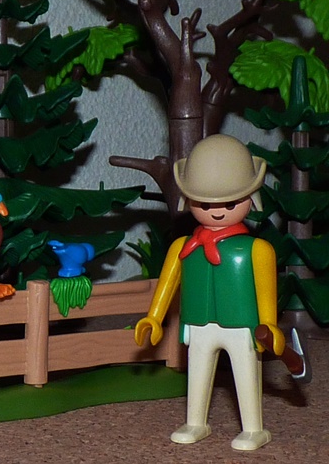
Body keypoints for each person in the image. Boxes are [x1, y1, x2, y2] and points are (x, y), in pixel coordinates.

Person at [134, 134, 285, 451]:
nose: (217, 212)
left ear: (251, 199)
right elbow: (167, 284)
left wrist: (269, 324)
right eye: (204, 203)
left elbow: (266, 292)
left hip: (242, 326)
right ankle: (195, 422)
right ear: (188, 201)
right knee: (197, 373)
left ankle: (253, 428)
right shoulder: (183, 247)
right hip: (198, 322)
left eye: (230, 203)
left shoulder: (257, 249)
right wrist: (154, 317)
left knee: (246, 374)